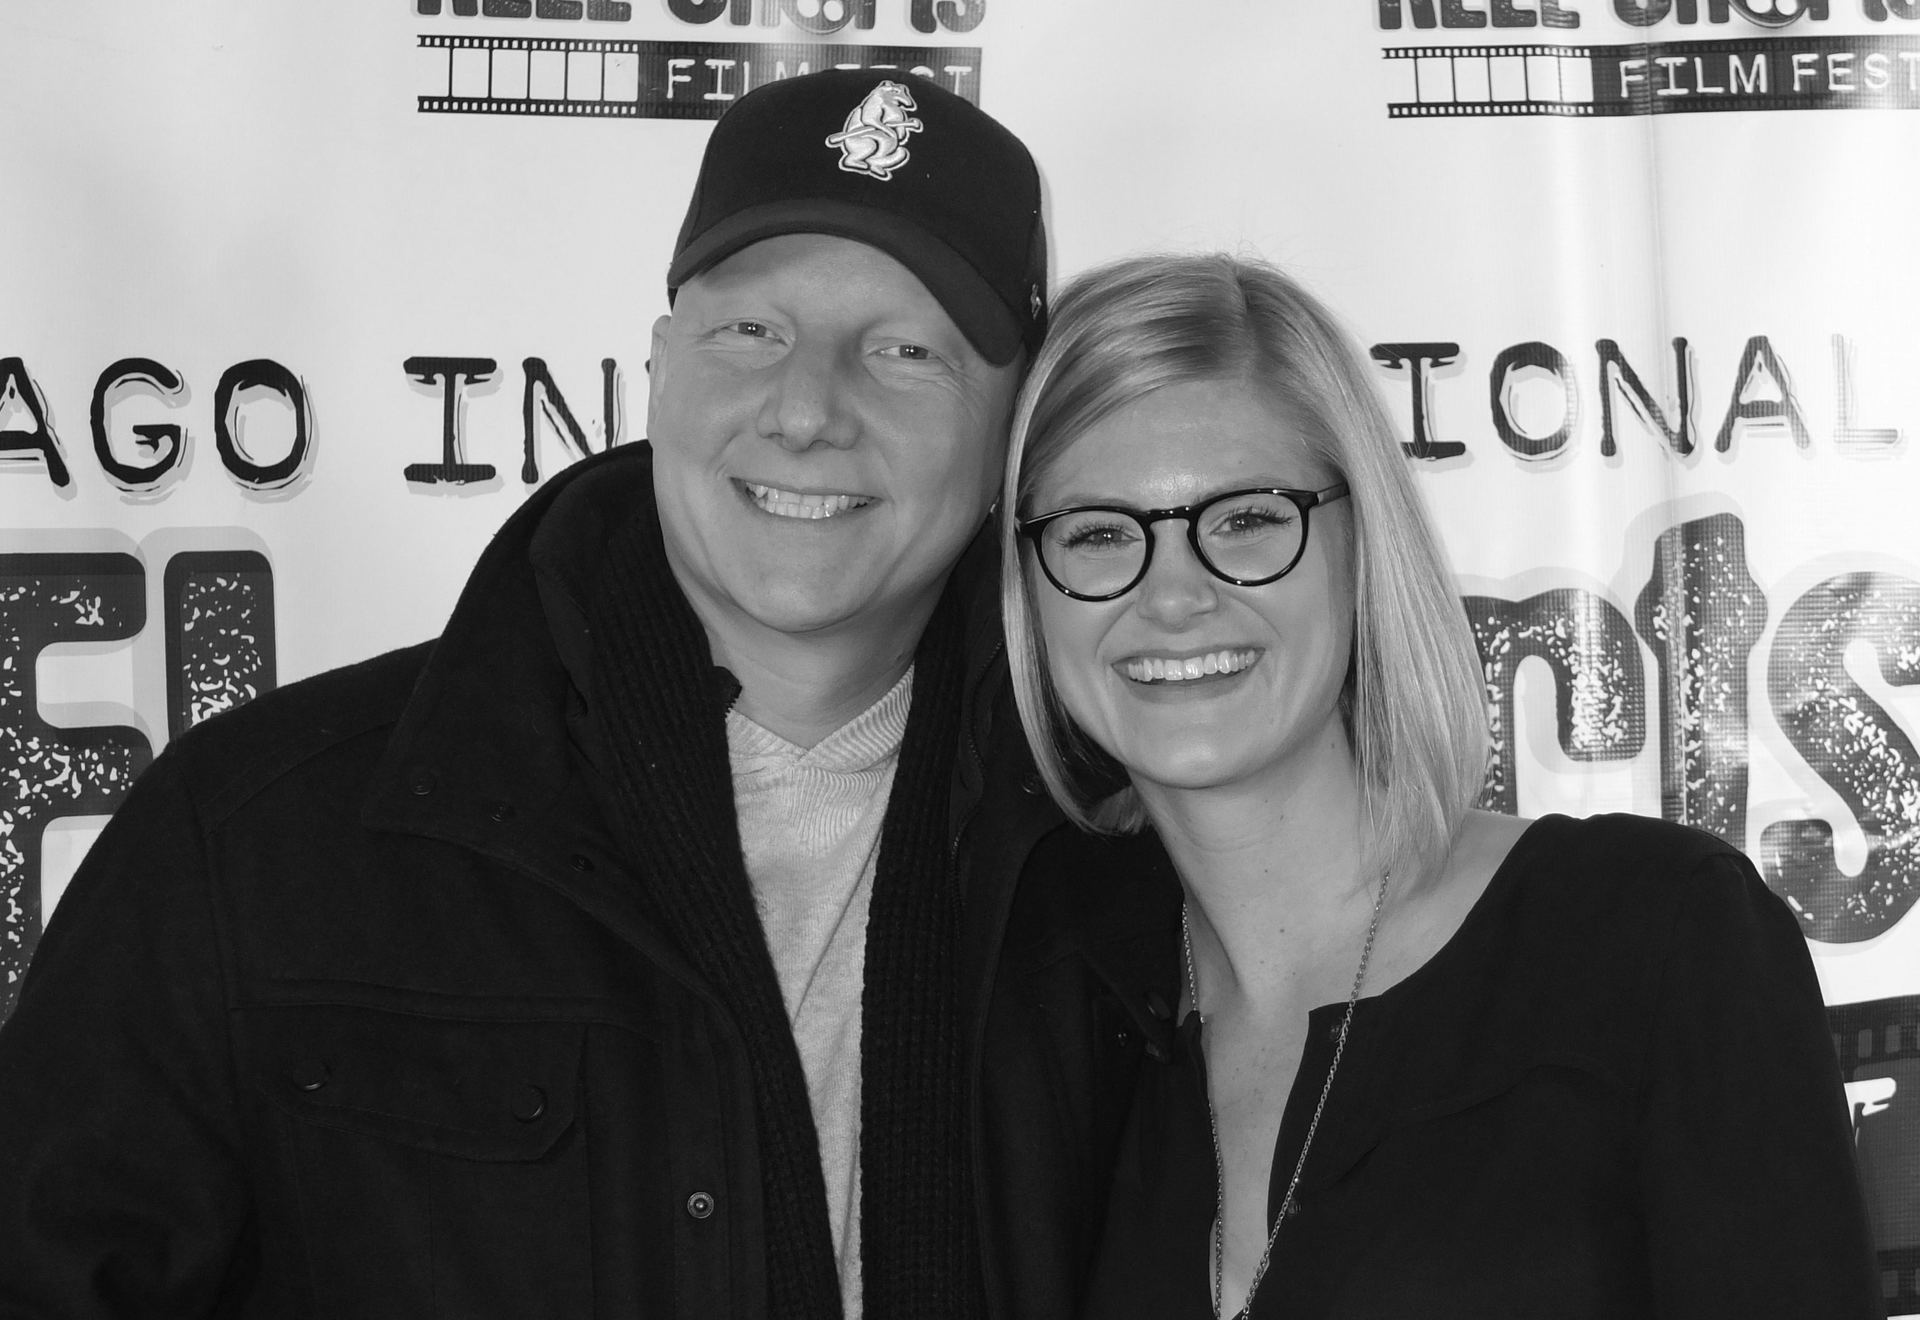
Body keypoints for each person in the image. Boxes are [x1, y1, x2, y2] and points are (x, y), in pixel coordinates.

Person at [0, 70, 1173, 1319]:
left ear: (1013, 432)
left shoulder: (1132, 853)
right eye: (750, 331)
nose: (808, 408)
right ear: (660, 363)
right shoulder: (253, 843)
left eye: (904, 351)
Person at [999, 252, 1883, 1319]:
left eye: (1245, 520)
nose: (1174, 596)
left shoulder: (1653, 938)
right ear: (1031, 588)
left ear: (1362, 546)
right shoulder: (1061, 1036)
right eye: (1098, 534)